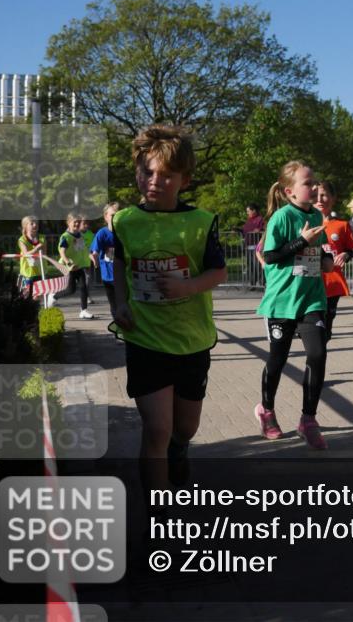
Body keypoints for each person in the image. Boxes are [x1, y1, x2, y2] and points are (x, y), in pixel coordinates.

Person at [109, 125, 227, 497]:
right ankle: (157, 518)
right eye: (147, 172)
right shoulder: (125, 221)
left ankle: (181, 447)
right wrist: (121, 303)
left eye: (165, 175)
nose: (154, 181)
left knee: (184, 427)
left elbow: (219, 271)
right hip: (144, 338)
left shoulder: (201, 222)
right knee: (155, 430)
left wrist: (187, 287)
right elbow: (120, 267)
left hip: (191, 340)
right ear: (137, 173)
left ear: (184, 180)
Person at [255, 161, 333, 447]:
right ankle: (266, 410)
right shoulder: (282, 218)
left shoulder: (317, 215)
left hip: (312, 299)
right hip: (282, 302)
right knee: (278, 359)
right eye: (307, 183)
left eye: (314, 182)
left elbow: (320, 252)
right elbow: (272, 256)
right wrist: (301, 241)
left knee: (318, 354)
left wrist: (327, 261)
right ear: (290, 191)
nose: (314, 187)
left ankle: (308, 419)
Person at [315, 181, 353, 340]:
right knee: (312, 328)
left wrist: (346, 255)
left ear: (333, 198)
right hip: (310, 282)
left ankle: (318, 360)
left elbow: (350, 250)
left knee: (326, 329)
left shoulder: (342, 225)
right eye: (316, 195)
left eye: (324, 195)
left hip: (332, 282)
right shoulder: (304, 222)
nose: (320, 199)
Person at [55, 212, 94, 319]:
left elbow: (82, 249)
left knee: (83, 287)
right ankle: (53, 296)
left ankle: (84, 310)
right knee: (70, 290)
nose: (77, 224)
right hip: (70, 267)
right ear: (68, 223)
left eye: (78, 222)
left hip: (79, 266)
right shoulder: (66, 237)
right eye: (74, 222)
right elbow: (62, 251)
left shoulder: (79, 235)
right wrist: (68, 262)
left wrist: (91, 256)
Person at [91, 202, 121, 320]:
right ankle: (118, 323)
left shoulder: (123, 232)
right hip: (108, 275)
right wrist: (94, 257)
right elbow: (94, 250)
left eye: (118, 215)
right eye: (112, 215)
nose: (115, 218)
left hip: (122, 273)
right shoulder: (102, 233)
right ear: (105, 217)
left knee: (124, 301)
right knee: (114, 303)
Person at [17, 215, 44, 300]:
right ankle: (24, 309)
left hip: (39, 270)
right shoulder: (22, 240)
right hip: (26, 272)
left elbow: (44, 254)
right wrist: (36, 249)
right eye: (32, 223)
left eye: (36, 223)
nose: (35, 225)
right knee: (25, 294)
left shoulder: (42, 238)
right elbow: (26, 254)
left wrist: (40, 251)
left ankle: (34, 309)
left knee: (38, 295)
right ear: (25, 226)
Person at [242, 204, 266, 289]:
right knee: (251, 266)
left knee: (258, 266)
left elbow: (264, 229)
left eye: (248, 211)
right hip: (248, 247)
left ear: (254, 211)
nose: (247, 213)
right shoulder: (248, 220)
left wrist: (259, 230)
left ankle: (263, 283)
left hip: (257, 247)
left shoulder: (260, 219)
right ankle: (252, 284)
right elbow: (245, 230)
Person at [81, 217, 97, 298]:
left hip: (88, 261)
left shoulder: (90, 234)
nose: (86, 225)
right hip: (77, 261)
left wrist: (94, 255)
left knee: (87, 279)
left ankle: (87, 296)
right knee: (69, 284)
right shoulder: (76, 234)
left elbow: (94, 247)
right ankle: (54, 296)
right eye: (84, 224)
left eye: (87, 224)